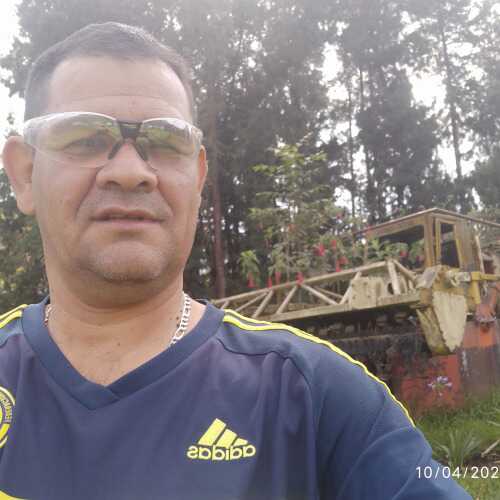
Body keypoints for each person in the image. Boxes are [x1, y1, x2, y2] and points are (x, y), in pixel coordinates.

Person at [0, 22, 471, 500]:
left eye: (164, 143)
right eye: (84, 139)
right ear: (23, 173)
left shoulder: (321, 398)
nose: (129, 172)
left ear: (197, 177)